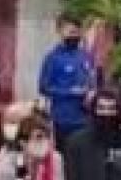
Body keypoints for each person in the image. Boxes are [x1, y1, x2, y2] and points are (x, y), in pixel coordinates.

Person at [39, 14, 95, 146]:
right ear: (60, 32)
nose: (74, 35)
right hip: (63, 120)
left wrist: (92, 92)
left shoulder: (85, 56)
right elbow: (43, 87)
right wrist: (70, 92)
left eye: (77, 32)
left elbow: (92, 79)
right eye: (71, 32)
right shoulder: (52, 58)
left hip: (84, 120)